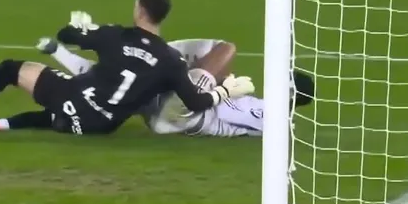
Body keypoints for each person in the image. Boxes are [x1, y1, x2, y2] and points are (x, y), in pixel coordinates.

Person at [0, 0, 256, 133]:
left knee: (11, 69)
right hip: (102, 126)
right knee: (70, 104)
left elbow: (66, 34)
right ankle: (1, 124)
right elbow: (195, 102)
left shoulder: (114, 35)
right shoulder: (171, 60)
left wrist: (80, 27)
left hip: (76, 100)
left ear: (139, 9)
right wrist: (227, 90)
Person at [37, 37, 314, 137]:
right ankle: (58, 53)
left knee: (224, 49)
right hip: (175, 115)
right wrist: (223, 85)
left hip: (189, 116)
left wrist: (221, 89)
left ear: (290, 94)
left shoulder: (273, 118)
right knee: (127, 80)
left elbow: (227, 114)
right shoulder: (265, 109)